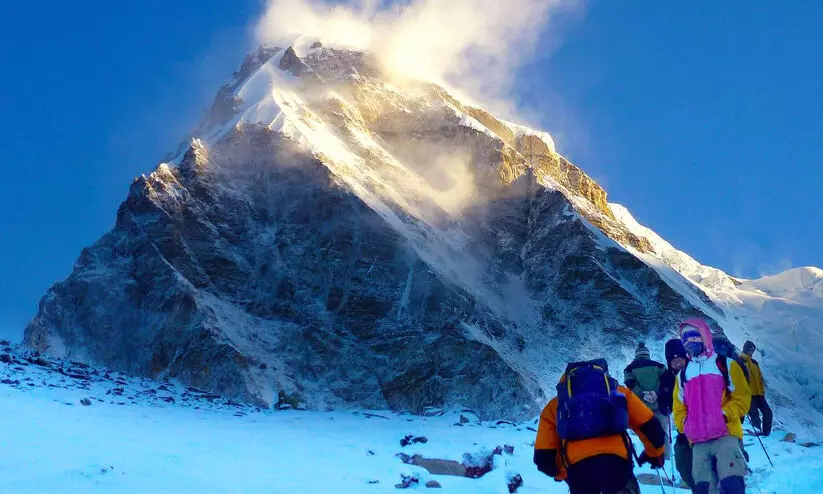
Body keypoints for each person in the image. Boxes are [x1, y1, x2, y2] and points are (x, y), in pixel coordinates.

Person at [534, 358, 666, 494]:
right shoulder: (619, 393)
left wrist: (563, 474)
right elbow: (650, 427)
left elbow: (544, 458)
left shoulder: (556, 405)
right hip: (618, 467)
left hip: (579, 473)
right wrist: (655, 455)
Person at [673, 319, 752, 494]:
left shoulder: (726, 365)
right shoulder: (683, 375)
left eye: (693, 337)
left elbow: (742, 397)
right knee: (704, 489)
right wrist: (687, 425)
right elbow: (678, 408)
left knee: (732, 485)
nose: (689, 342)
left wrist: (723, 415)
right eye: (685, 339)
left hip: (727, 434)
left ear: (704, 336)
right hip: (698, 442)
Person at [658, 338, 695, 491]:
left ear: (685, 357)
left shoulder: (695, 371)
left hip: (703, 425)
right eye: (674, 362)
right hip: (684, 426)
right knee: (681, 460)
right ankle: (691, 482)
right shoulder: (667, 377)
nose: (678, 364)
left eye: (680, 360)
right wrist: (664, 404)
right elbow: (664, 399)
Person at [624, 343, 668, 456]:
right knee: (663, 433)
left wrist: (643, 394)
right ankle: (666, 455)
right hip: (660, 405)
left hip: (642, 407)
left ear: (636, 355)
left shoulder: (629, 369)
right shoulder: (659, 366)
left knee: (648, 434)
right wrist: (656, 392)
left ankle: (653, 457)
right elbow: (666, 381)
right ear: (648, 354)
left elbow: (630, 385)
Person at [740, 340, 773, 436]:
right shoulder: (739, 361)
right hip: (748, 395)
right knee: (754, 416)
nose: (751, 352)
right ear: (745, 349)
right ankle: (757, 433)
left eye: (753, 350)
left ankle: (766, 433)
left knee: (768, 413)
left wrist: (762, 390)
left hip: (759, 394)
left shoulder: (754, 363)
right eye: (750, 350)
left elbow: (759, 377)